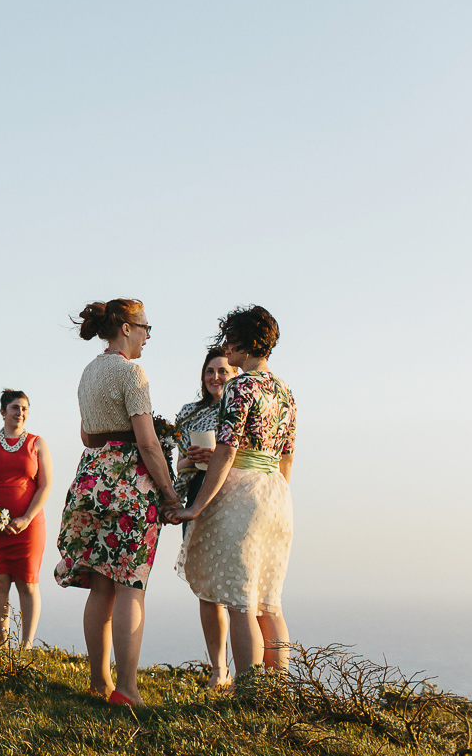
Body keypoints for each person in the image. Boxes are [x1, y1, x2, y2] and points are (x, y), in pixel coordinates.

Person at [54, 299, 183, 706]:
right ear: (126, 328)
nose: (147, 335)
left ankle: (98, 681)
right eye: (145, 327)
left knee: (101, 586)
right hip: (129, 486)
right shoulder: (132, 373)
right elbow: (145, 440)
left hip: (91, 481)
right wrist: (169, 493)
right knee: (131, 585)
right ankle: (126, 688)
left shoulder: (89, 372)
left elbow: (89, 437)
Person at [170, 306, 296, 678]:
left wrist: (195, 508)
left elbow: (225, 454)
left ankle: (249, 690)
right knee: (269, 603)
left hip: (244, 496)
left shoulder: (241, 386)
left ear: (243, 341)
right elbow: (287, 458)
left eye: (230, 339)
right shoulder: (286, 392)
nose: (226, 346)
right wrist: (278, 496)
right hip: (277, 496)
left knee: (241, 601)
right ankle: (278, 690)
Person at [172, 347, 239, 686]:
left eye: (223, 371)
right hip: (195, 493)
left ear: (235, 374)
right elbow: (179, 464)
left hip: (232, 495)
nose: (215, 377)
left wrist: (219, 456)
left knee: (238, 585)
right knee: (206, 588)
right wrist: (191, 458)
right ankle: (218, 669)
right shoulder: (188, 413)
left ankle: (249, 673)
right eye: (210, 371)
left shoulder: (241, 408)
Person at [0, 389, 54, 649]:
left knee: (28, 583)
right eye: (15, 407)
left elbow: (45, 485)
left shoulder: (37, 443)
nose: (20, 413)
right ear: (3, 411)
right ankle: (3, 643)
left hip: (28, 526)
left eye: (25, 408)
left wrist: (26, 518)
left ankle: (27, 645)